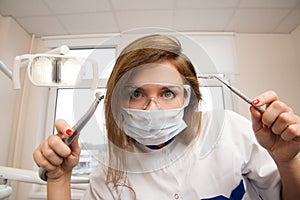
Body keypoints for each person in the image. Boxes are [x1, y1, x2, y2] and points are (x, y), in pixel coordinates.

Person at [33, 34, 300, 200]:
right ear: (117, 101)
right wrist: (58, 180)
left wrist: (287, 161)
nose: (152, 109)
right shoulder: (108, 177)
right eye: (136, 93)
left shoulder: (230, 129)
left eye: (168, 93)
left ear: (188, 98)